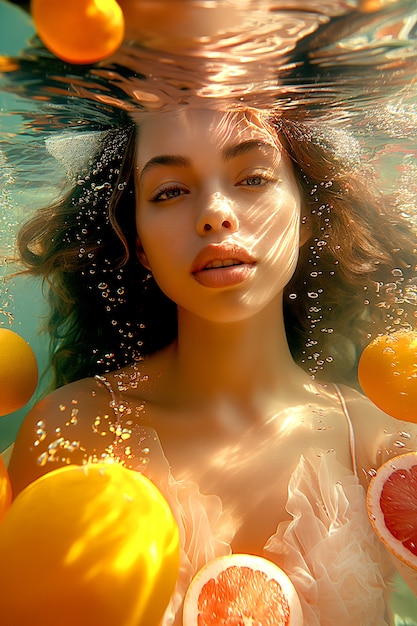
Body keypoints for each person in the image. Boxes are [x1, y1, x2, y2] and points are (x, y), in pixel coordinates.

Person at [8, 105, 417, 624]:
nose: (215, 213)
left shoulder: (384, 447)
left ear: (308, 214)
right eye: (170, 191)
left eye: (253, 177)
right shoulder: (73, 430)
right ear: (139, 243)